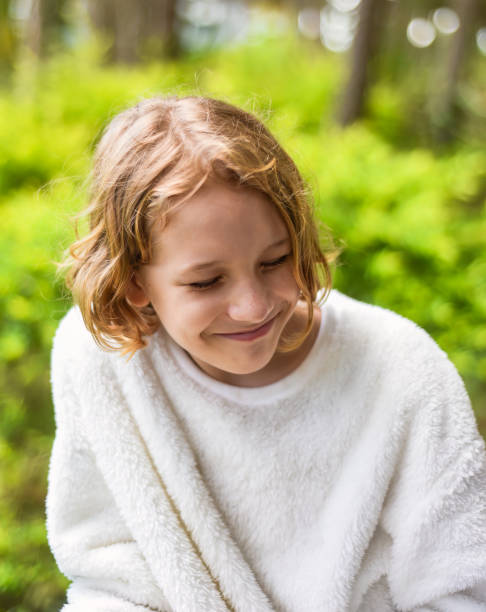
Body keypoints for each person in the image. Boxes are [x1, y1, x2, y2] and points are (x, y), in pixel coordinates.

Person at [47, 96, 486, 612]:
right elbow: (111, 574)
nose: (252, 307)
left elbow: (459, 585)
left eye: (276, 260)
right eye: (206, 281)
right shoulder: (103, 357)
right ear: (135, 282)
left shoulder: (401, 368)